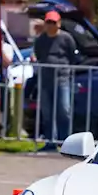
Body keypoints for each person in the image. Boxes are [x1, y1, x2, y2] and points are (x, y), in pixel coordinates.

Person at [31, 10, 81, 150]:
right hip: (45, 79)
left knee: (64, 110)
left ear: (59, 23)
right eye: (48, 22)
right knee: (47, 112)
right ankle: (50, 142)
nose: (51, 25)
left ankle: (65, 142)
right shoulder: (41, 40)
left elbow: (72, 56)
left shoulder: (67, 38)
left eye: (53, 22)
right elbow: (39, 55)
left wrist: (68, 70)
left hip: (62, 79)